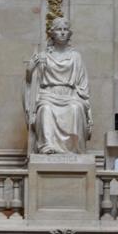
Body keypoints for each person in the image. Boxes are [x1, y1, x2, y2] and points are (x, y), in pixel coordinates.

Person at [24, 16, 93, 154]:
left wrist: (83, 102)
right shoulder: (43, 56)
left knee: (76, 108)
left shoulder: (75, 57)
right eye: (59, 29)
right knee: (45, 110)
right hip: (48, 95)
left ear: (69, 33)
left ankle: (74, 149)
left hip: (70, 95)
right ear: (52, 33)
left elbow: (83, 85)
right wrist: (30, 69)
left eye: (65, 29)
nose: (62, 32)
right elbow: (31, 83)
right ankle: (47, 146)